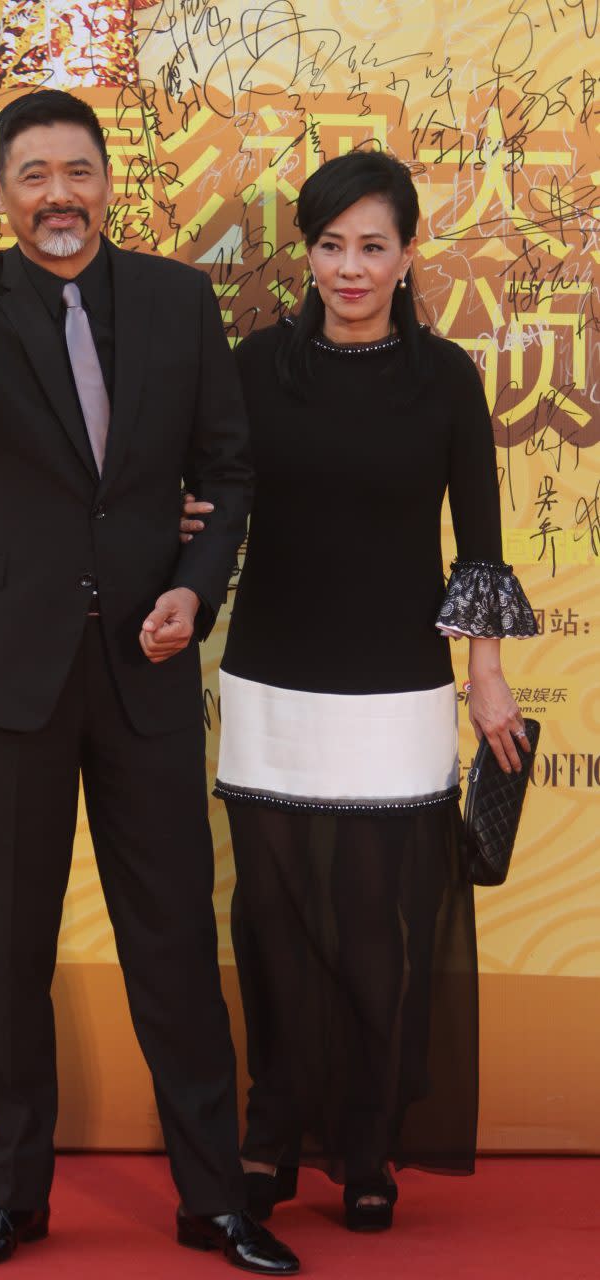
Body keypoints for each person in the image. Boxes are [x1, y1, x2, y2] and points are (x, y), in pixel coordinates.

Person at [0, 89, 299, 1275]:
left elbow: (228, 471)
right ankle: (14, 1194)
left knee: (174, 943)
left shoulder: (175, 299)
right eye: (33, 174)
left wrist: (194, 587)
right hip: (12, 672)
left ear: (108, 182)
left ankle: (212, 1198)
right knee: (13, 948)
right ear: (1, 193)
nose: (58, 195)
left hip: (144, 660)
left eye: (77, 171)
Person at [183, 149, 537, 1232]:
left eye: (371, 245)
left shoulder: (445, 380)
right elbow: (210, 495)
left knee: (377, 926)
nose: (349, 266)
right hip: (270, 680)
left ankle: (369, 1141)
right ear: (307, 249)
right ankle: (269, 1134)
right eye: (330, 244)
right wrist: (184, 519)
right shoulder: (251, 369)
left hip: (393, 688)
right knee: (270, 921)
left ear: (406, 252)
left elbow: (476, 544)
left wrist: (485, 678)